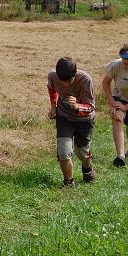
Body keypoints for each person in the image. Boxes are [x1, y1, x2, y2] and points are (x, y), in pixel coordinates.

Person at [47, 56, 96, 186]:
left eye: (69, 81)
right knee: (63, 151)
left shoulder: (86, 80)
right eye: (61, 81)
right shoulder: (52, 76)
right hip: (64, 117)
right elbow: (51, 88)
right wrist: (53, 106)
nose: (65, 84)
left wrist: (77, 106)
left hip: (84, 120)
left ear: (75, 74)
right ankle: (68, 182)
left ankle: (87, 168)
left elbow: (91, 107)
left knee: (82, 152)